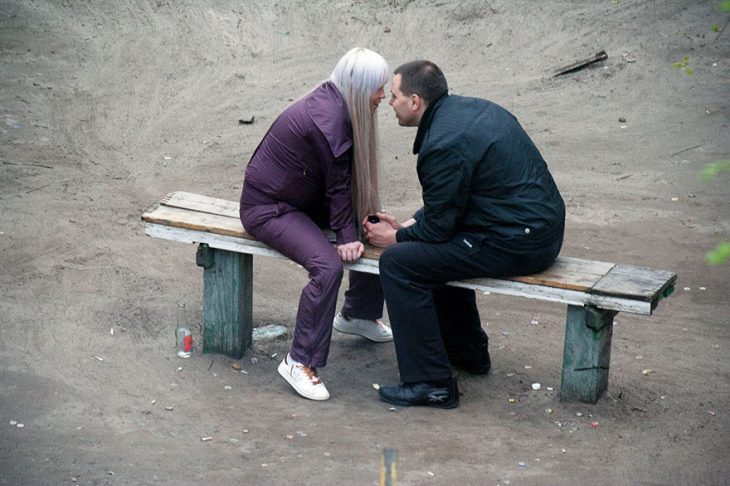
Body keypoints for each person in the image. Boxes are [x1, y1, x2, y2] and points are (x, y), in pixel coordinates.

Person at [364, 60, 566, 409]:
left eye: (394, 96)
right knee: (433, 253)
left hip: (519, 241)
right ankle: (468, 353)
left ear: (415, 102)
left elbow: (441, 227)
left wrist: (393, 239)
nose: (390, 104)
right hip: (534, 228)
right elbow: (459, 198)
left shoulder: (441, 143)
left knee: (400, 264)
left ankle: (431, 383)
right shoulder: (470, 112)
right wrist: (411, 224)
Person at [239, 48, 393, 402]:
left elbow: (339, 188)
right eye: (378, 89)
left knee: (373, 227)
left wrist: (354, 230)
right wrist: (345, 237)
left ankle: (358, 314)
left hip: (301, 201)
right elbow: (339, 186)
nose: (382, 96)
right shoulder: (330, 119)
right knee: (327, 267)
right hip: (269, 209)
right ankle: (299, 361)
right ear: (360, 87)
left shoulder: (339, 101)